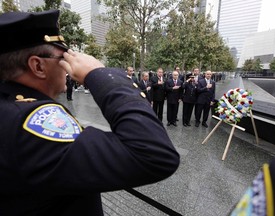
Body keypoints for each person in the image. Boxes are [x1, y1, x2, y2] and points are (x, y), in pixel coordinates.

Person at [0, 10, 179, 216]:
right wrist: (99, 74)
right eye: (63, 57)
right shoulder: (28, 123)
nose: (68, 66)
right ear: (38, 66)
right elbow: (154, 154)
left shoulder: (11, 106)